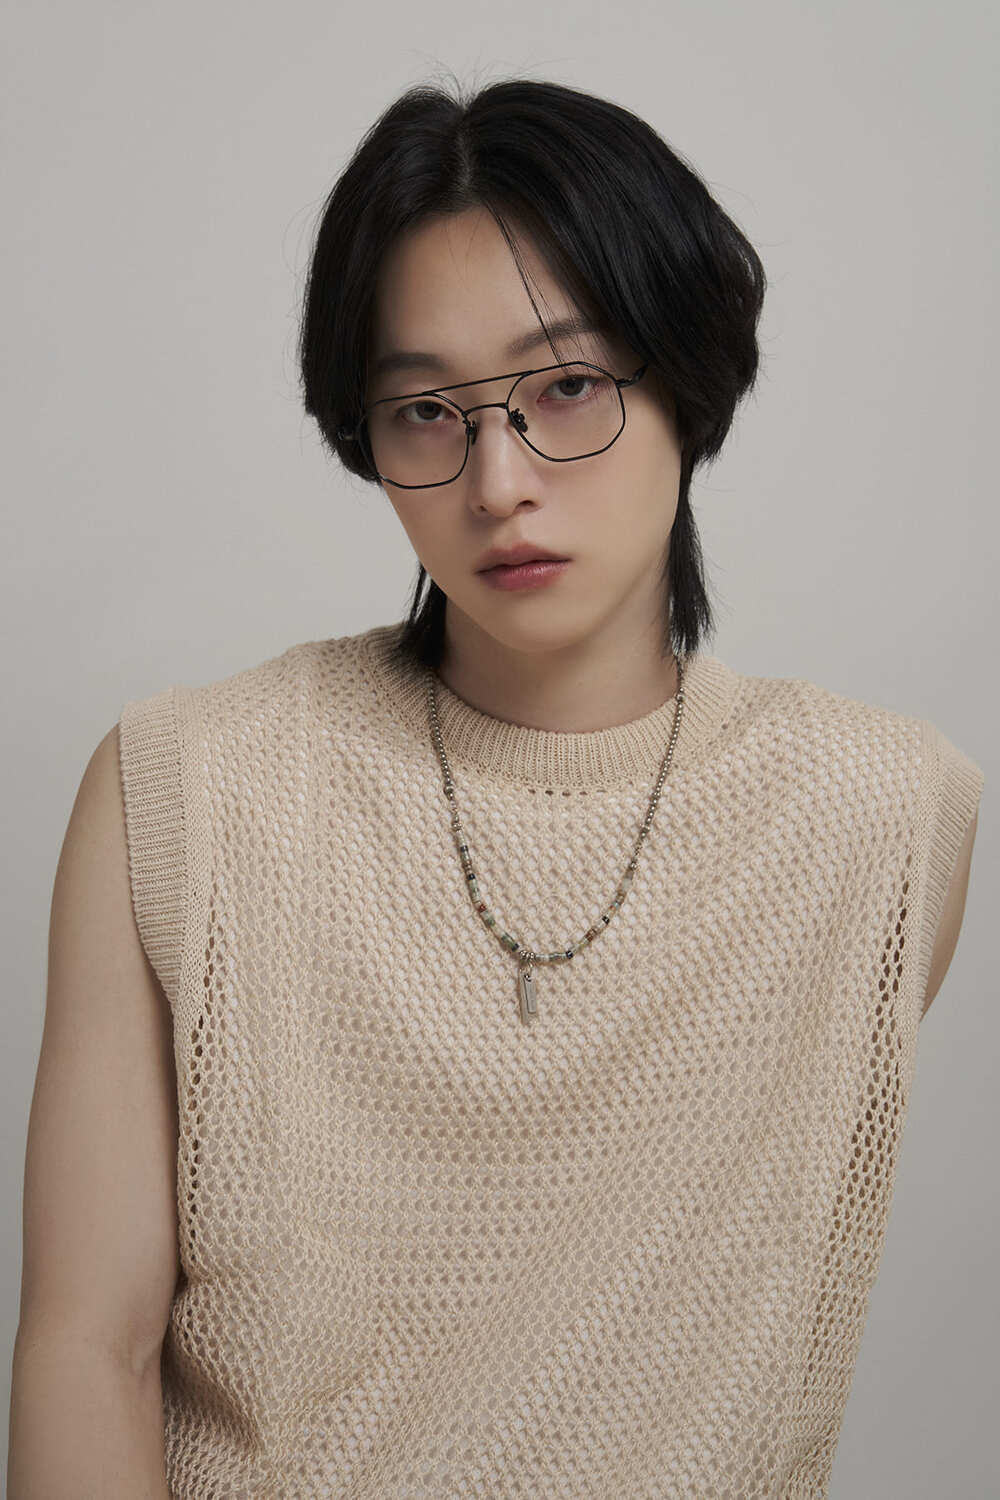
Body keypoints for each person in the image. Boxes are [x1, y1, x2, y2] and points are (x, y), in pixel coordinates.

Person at [10, 75, 983, 1500]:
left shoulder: (881, 814)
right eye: (426, 410)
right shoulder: (190, 791)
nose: (498, 480)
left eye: (567, 387)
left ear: (686, 378)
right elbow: (87, 1351)